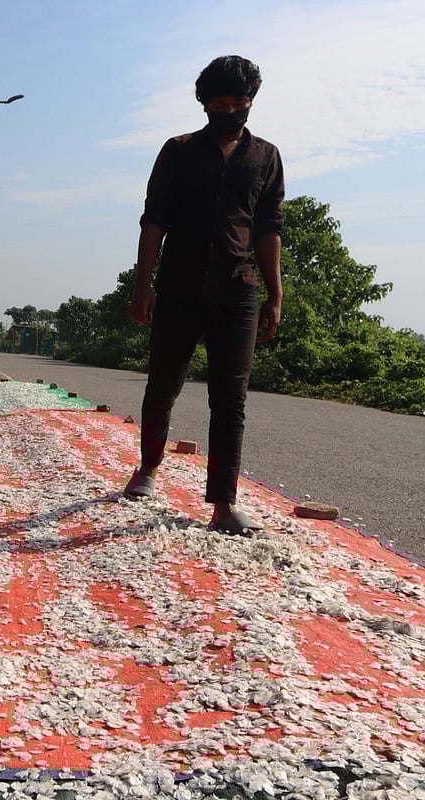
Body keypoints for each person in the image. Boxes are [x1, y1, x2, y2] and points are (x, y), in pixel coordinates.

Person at [125, 55, 284, 535]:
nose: (231, 111)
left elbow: (269, 228)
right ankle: (148, 467)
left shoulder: (266, 157)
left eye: (240, 103)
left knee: (229, 398)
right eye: (220, 103)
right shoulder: (177, 151)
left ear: (251, 102)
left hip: (238, 292)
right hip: (178, 287)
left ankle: (223, 503)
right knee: (163, 386)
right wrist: (142, 284)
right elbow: (154, 219)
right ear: (204, 104)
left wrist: (275, 295)